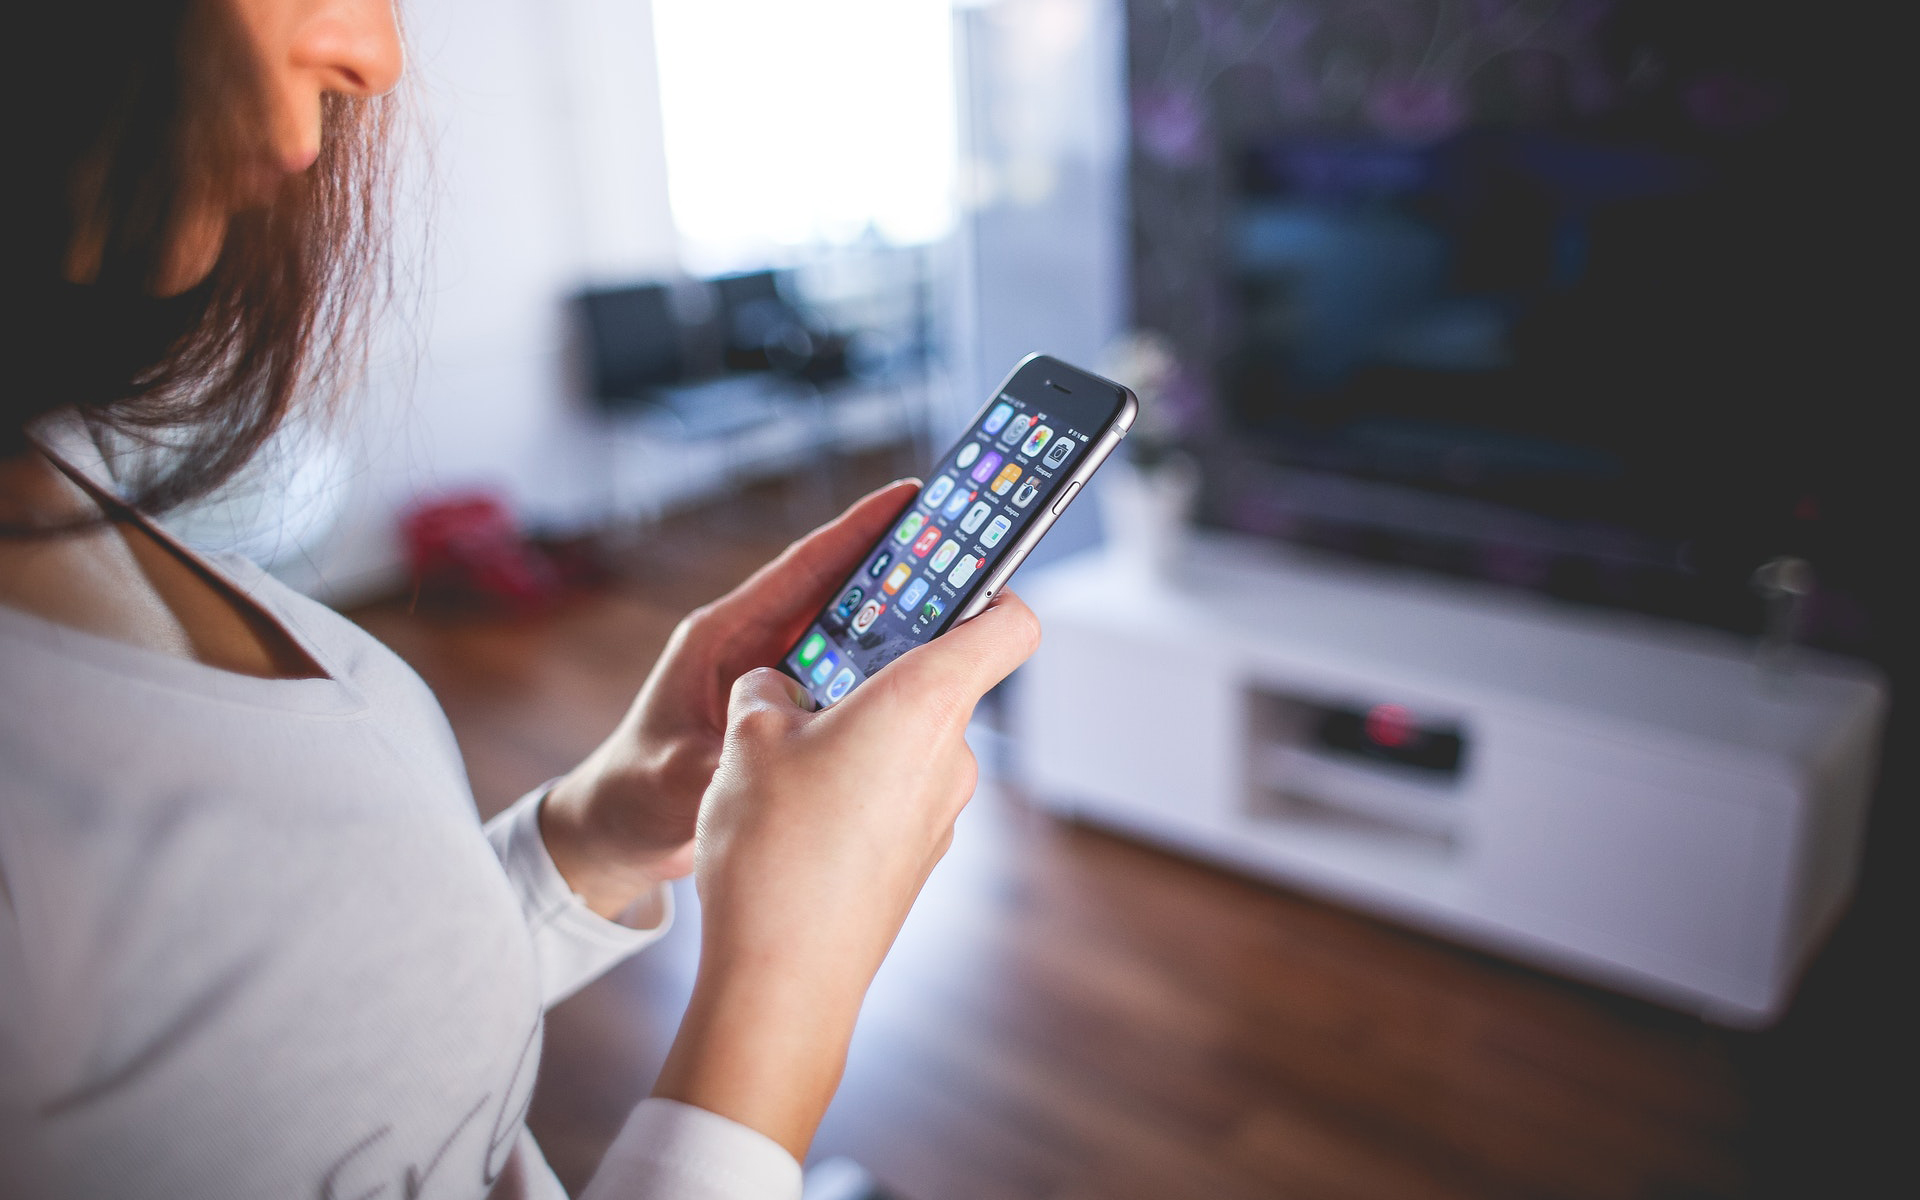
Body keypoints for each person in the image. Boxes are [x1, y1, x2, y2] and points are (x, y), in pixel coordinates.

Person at [0, 1, 1039, 1196]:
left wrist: (600, 828)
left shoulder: (55, 475)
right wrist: (791, 979)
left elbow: (313, 1033)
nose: (376, 53)